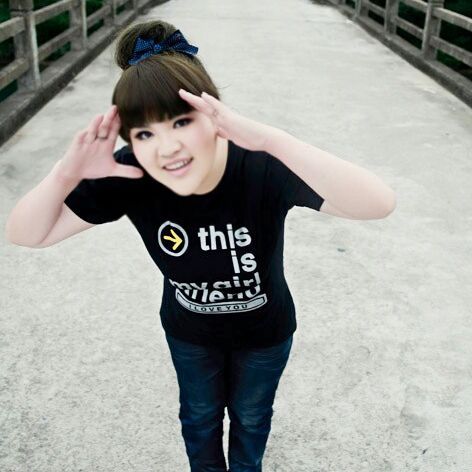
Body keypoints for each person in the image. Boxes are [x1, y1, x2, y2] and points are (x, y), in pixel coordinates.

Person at [5, 20, 396, 472]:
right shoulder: (132, 173)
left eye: (181, 122)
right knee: (199, 417)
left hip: (265, 333)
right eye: (145, 133)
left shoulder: (258, 164)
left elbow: (377, 203)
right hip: (190, 334)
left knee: (252, 417)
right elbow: (27, 233)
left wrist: (271, 140)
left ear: (214, 116)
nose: (167, 148)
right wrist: (64, 174)